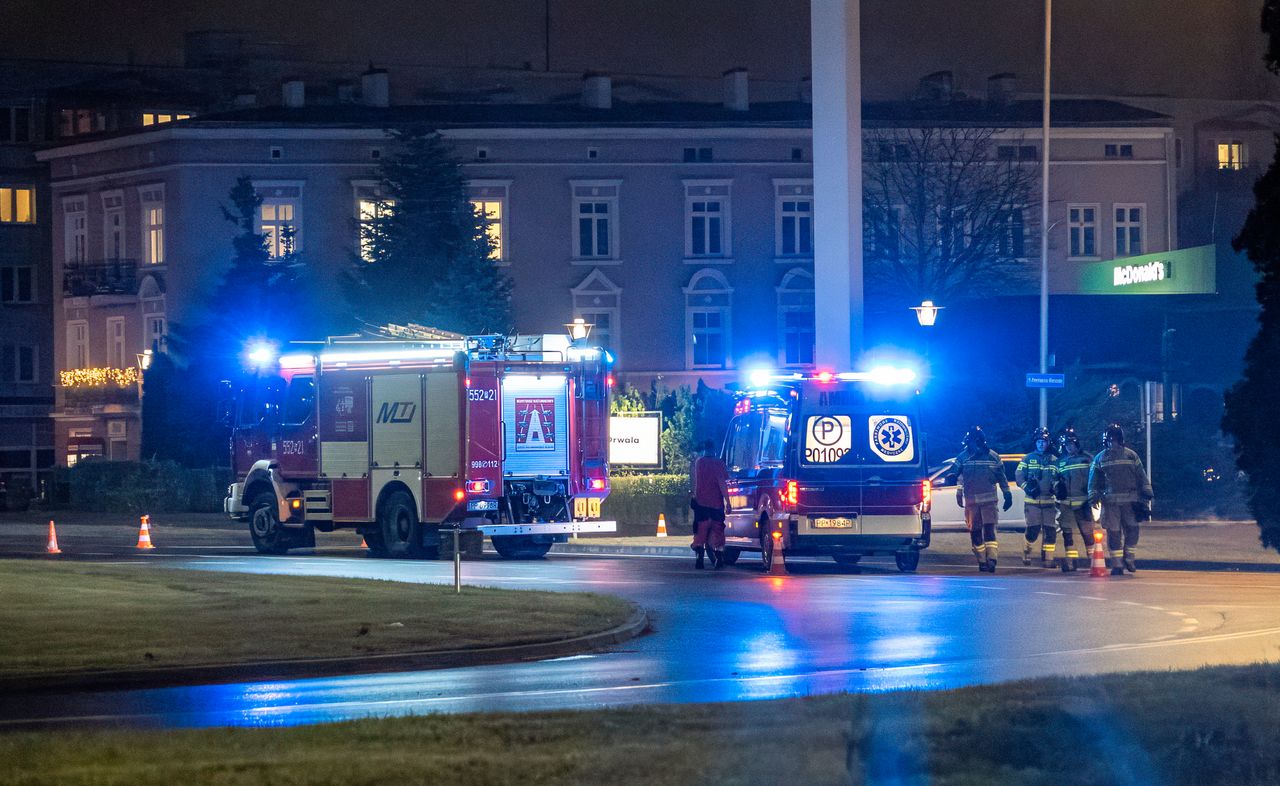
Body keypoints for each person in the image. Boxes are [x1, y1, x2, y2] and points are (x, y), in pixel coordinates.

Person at [1087, 423, 1154, 575]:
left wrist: (1147, 492)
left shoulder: (1131, 455)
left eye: (1115, 439)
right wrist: (1093, 496)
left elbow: (1141, 475)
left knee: (1133, 530)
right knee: (1114, 533)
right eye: (1110, 440)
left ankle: (1129, 558)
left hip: (1131, 501)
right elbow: (1093, 481)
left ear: (1121, 439)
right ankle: (1117, 564)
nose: (1113, 443)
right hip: (1110, 503)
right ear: (1105, 441)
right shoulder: (1100, 458)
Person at [947, 426, 1012, 572]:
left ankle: (992, 559)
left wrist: (1007, 493)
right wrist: (953, 482)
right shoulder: (963, 457)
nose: (972, 446)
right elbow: (956, 474)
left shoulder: (993, 456)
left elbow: (1002, 477)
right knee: (975, 532)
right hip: (971, 503)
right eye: (970, 442)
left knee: (989, 530)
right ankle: (982, 561)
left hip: (989, 501)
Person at [1017, 427, 1059, 568]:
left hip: (1049, 502)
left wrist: (1058, 487)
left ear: (1048, 443)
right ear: (1035, 443)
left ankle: (1048, 559)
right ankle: (1026, 550)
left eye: (1044, 441)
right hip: (1032, 502)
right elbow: (1019, 476)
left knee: (1051, 532)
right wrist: (1026, 487)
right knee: (1033, 531)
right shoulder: (1028, 458)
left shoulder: (1054, 460)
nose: (1041, 444)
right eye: (1039, 441)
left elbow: (1059, 477)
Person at [1052, 427, 1093, 573]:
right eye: (1067, 445)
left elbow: (1096, 479)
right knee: (1067, 534)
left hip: (1083, 504)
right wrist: (1058, 488)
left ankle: (1094, 561)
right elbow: (1054, 480)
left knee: (1087, 534)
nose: (1069, 447)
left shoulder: (1087, 459)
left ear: (1077, 444)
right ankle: (1071, 562)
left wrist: (1092, 496)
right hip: (1066, 505)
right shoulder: (1060, 462)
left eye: (1072, 444)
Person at [690, 439, 729, 570]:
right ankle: (718, 556)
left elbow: (696, 483)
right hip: (716, 505)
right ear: (714, 449)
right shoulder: (719, 464)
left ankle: (699, 556)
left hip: (701, 504)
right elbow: (722, 484)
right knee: (718, 531)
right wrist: (728, 501)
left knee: (700, 531)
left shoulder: (699, 463)